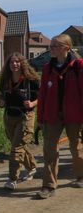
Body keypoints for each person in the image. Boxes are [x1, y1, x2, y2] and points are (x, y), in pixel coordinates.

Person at [35, 34, 83, 199]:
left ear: (66, 48)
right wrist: (40, 117)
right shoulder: (48, 68)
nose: (51, 48)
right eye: (51, 45)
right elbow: (42, 95)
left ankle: (81, 176)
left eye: (55, 46)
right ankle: (48, 186)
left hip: (74, 114)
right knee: (49, 149)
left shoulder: (79, 66)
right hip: (52, 115)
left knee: (76, 146)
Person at [0, 53, 40, 190]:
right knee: (19, 145)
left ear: (22, 63)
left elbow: (43, 97)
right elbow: (0, 96)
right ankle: (32, 167)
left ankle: (12, 178)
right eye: (11, 63)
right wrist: (1, 102)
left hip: (25, 116)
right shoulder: (5, 80)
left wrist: (32, 103)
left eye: (17, 62)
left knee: (16, 149)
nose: (14, 64)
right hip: (9, 116)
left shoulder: (31, 80)